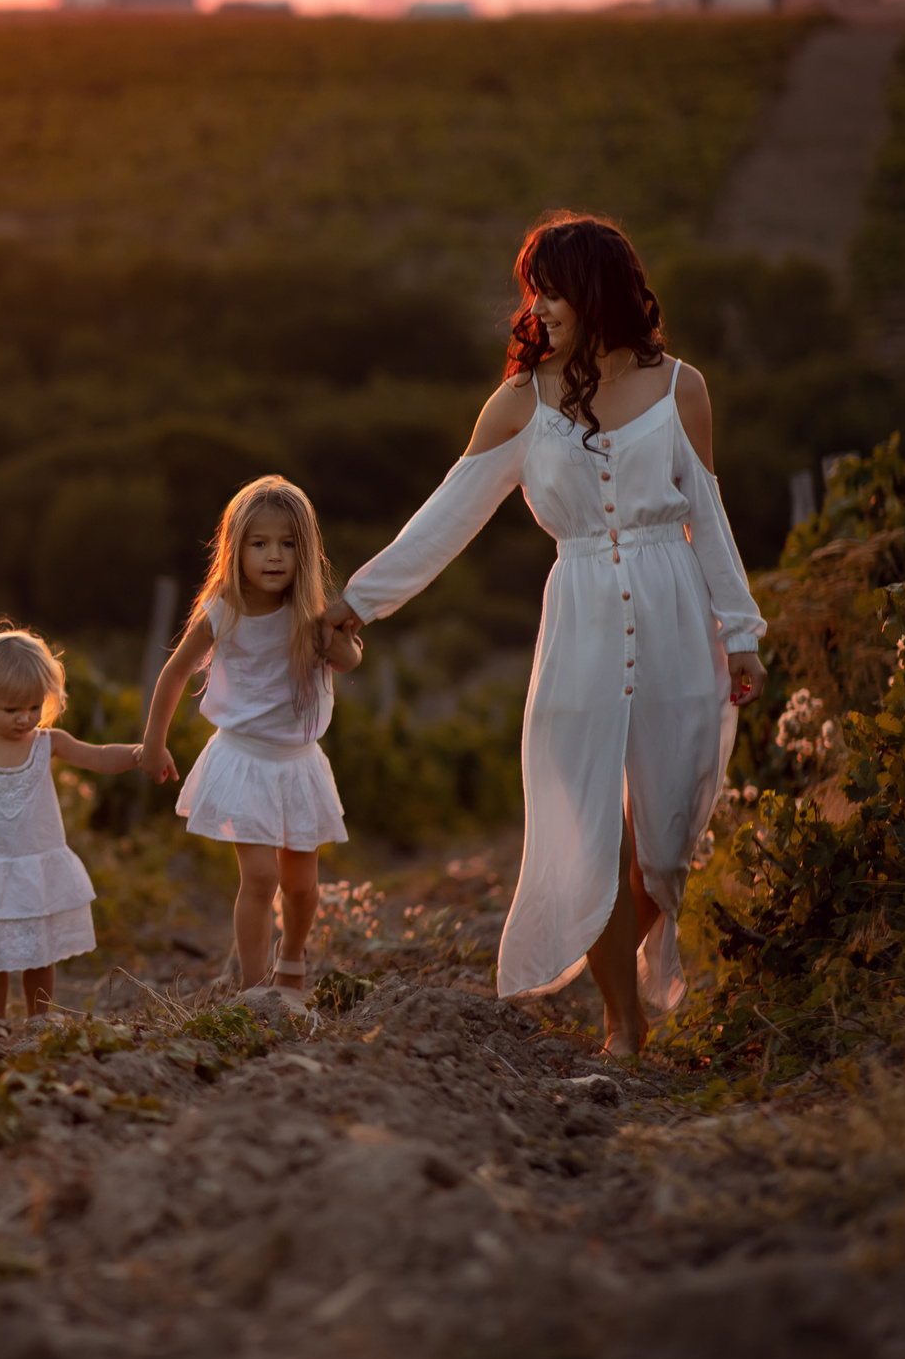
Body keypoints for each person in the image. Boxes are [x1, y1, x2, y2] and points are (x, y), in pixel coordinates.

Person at [322, 211, 763, 1059]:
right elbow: (448, 515)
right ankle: (623, 1023)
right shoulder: (522, 401)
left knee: (668, 840)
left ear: (597, 291)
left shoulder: (682, 388)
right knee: (591, 831)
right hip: (580, 620)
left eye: (553, 291)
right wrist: (359, 599)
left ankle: (624, 945)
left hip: (676, 613)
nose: (538, 308)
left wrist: (739, 629)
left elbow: (707, 517)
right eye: (535, 293)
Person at [138, 476, 363, 1010]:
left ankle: (293, 961)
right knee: (260, 878)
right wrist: (153, 742)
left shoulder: (311, 615)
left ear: (305, 552)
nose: (274, 556)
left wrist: (336, 635)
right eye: (259, 544)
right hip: (242, 759)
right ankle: (255, 992)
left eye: (287, 544)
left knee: (302, 885)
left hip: (297, 763)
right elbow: (174, 673)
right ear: (235, 550)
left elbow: (350, 660)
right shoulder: (223, 612)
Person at [0, 627, 143, 1019]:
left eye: (33, 706)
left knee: (40, 951)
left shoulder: (48, 742)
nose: (25, 718)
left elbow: (98, 756)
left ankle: (39, 1018)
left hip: (36, 872)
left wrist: (140, 754)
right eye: (12, 710)